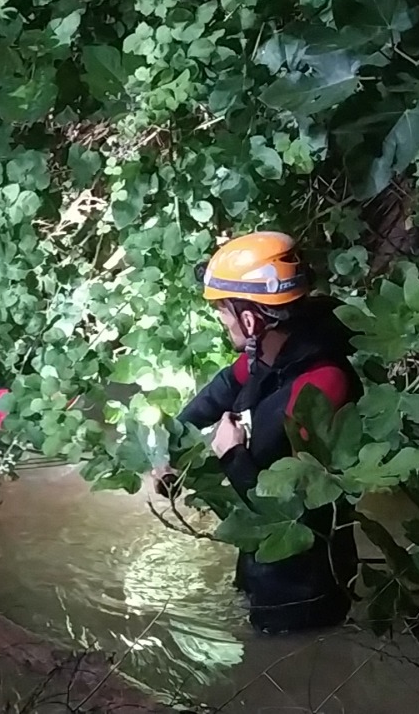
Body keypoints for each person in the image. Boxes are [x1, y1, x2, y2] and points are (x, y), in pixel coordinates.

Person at [153, 231, 362, 634]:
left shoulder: (320, 385)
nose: (222, 321)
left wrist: (230, 454)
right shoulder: (272, 356)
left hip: (302, 581)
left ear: (250, 320)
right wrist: (169, 453)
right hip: (264, 555)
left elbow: (278, 501)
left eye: (224, 314)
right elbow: (215, 396)